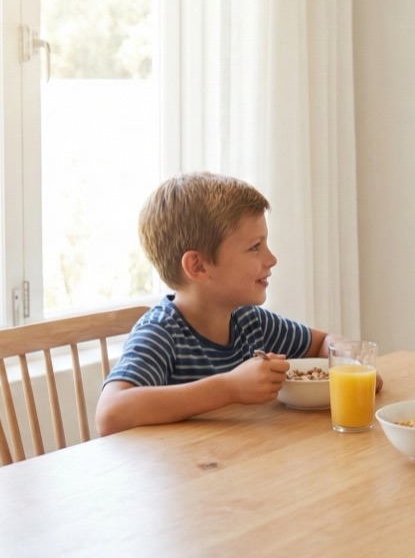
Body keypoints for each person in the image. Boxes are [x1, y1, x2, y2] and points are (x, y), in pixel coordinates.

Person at [96, 172, 374, 436]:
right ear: (198, 266)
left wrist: (349, 368)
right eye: (255, 247)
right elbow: (110, 415)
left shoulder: (250, 321)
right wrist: (230, 387)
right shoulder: (161, 332)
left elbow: (322, 342)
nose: (271, 259)